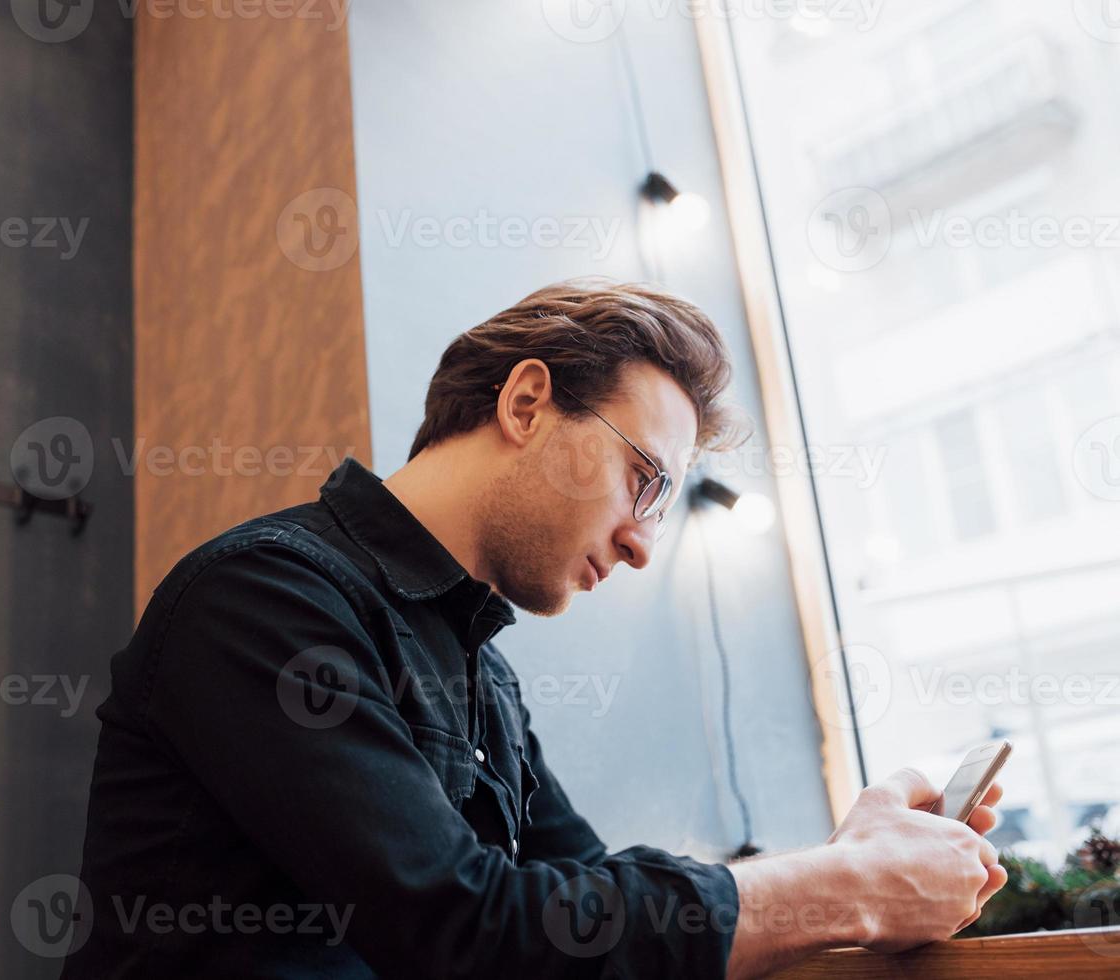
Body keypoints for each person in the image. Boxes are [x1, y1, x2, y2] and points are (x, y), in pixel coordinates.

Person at [61, 281, 1006, 978]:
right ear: (525, 405)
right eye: (647, 481)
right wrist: (847, 890)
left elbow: (587, 907)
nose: (644, 544)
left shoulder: (485, 677)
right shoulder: (265, 598)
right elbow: (465, 928)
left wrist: (844, 864)